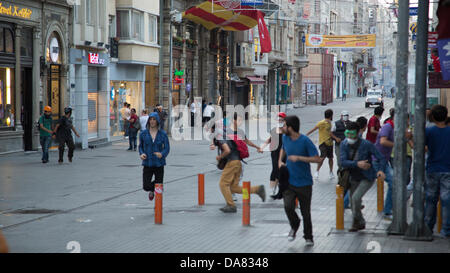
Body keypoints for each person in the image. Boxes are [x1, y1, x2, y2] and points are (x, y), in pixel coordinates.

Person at [278, 115, 320, 245]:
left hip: (304, 183)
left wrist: (300, 158)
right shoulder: (285, 138)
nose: (282, 127)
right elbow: (283, 148)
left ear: (290, 127)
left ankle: (308, 237)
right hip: (289, 181)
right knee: (288, 206)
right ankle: (294, 225)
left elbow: (317, 158)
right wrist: (280, 160)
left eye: (284, 125)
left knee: (305, 212)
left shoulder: (305, 141)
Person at [212, 113, 265, 213]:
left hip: (233, 162)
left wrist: (219, 157)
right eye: (239, 120)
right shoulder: (227, 132)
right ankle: (257, 189)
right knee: (233, 187)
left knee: (223, 184)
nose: (240, 122)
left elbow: (228, 149)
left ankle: (231, 205)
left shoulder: (224, 134)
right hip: (238, 162)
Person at [340, 121, 386, 232]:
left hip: (367, 177)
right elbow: (343, 162)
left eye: (352, 134)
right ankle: (357, 223)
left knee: (356, 198)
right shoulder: (344, 144)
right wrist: (357, 164)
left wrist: (380, 170)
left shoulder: (366, 144)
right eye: (347, 134)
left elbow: (381, 157)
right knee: (353, 202)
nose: (349, 136)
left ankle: (360, 221)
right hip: (353, 177)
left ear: (357, 133)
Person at [424, 105, 450, 237]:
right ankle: (446, 230)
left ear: (433, 117)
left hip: (432, 169)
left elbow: (421, 148)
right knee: (446, 201)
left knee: (430, 199)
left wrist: (409, 138)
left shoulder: (429, 131)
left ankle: (428, 227)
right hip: (448, 170)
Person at [139, 112, 170, 201]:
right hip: (147, 163)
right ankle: (152, 190)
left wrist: (162, 154)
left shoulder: (162, 134)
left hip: (159, 163)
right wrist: (141, 154)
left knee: (159, 186)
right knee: (146, 186)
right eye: (150, 119)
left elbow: (167, 148)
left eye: (154, 119)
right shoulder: (143, 134)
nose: (152, 121)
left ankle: (158, 208)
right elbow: (140, 146)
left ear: (157, 121)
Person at [374, 108, 395, 218]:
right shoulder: (388, 126)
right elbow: (383, 141)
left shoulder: (393, 127)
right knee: (393, 182)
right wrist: (396, 144)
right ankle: (387, 210)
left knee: (362, 182)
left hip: (382, 160)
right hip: (376, 160)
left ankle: (387, 210)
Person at [306, 109, 338, 180]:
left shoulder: (331, 123)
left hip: (330, 143)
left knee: (330, 158)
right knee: (322, 157)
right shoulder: (321, 123)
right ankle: (317, 171)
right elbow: (314, 129)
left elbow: (331, 132)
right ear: (331, 115)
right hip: (322, 142)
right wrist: (306, 135)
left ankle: (331, 172)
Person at [260, 112, 287, 196]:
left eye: (281, 120)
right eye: (278, 119)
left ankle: (282, 188)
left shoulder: (287, 130)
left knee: (282, 170)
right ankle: (272, 190)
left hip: (285, 152)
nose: (280, 121)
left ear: (285, 120)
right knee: (275, 169)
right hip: (275, 152)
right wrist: (262, 147)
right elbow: (269, 139)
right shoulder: (274, 130)